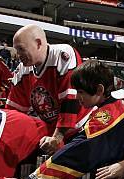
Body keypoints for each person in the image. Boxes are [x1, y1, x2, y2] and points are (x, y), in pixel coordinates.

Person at [0, 60, 124, 179]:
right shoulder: (121, 105)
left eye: (81, 91)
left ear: (99, 89)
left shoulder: (108, 115)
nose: (77, 96)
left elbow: (77, 150)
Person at [7, 24, 89, 153]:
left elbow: (70, 102)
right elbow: (13, 111)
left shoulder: (63, 54)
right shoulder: (22, 70)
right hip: (51, 131)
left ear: (38, 43)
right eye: (16, 50)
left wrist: (57, 137)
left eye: (21, 49)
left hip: (80, 129)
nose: (18, 55)